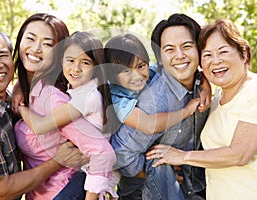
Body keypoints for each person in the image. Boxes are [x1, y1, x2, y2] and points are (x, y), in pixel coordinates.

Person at [0, 27, 87, 200]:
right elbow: (0, 191)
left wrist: (20, 86)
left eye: (3, 55)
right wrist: (58, 161)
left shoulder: (8, 101)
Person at [147, 19, 257, 200]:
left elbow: (240, 154)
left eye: (223, 51)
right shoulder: (215, 98)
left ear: (243, 54)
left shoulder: (253, 91)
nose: (216, 61)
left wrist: (182, 157)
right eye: (207, 55)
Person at [111, 13, 210, 200]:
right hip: (144, 193)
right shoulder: (154, 100)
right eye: (169, 49)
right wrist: (163, 172)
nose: (180, 56)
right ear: (160, 57)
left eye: (187, 46)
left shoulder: (203, 81)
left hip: (193, 186)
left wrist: (206, 84)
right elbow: (121, 155)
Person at [17, 31, 118, 200]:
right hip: (89, 174)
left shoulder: (87, 97)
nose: (75, 68)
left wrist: (21, 108)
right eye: (70, 60)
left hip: (89, 178)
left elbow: (40, 126)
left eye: (85, 62)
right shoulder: (81, 91)